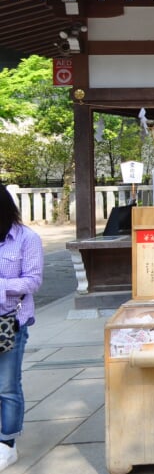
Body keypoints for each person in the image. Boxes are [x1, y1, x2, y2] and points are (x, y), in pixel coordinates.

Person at [0, 184, 43, 471]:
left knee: (6, 386)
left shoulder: (27, 238)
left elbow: (33, 281)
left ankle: (7, 443)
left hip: (9, 322)